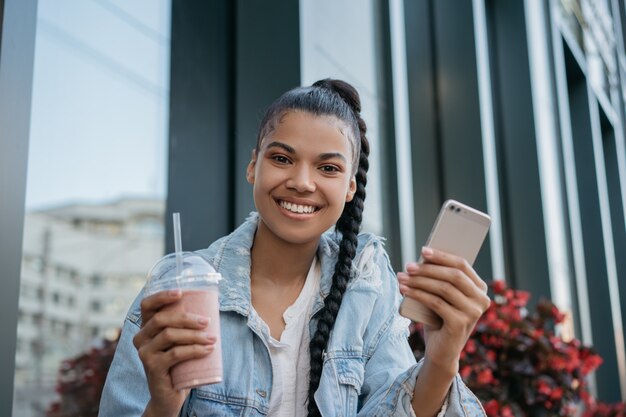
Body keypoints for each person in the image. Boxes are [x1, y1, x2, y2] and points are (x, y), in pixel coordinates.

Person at [99, 79, 490, 417]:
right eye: (282, 158)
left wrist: (440, 359)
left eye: (328, 168)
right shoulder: (179, 286)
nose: (302, 182)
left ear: (350, 188)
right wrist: (163, 406)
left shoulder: (367, 288)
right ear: (254, 166)